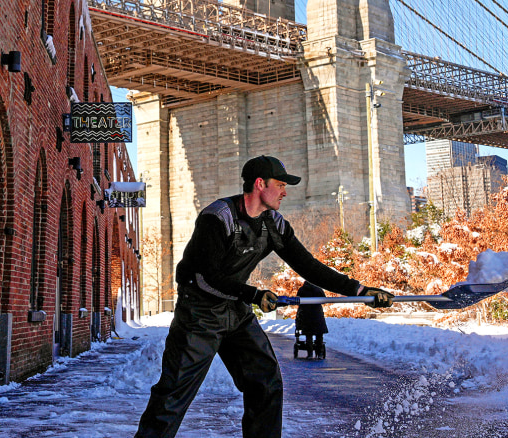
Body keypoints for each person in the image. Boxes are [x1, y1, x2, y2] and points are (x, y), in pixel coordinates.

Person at [134, 155, 393, 438]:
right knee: (173, 393)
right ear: (260, 184)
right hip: (199, 313)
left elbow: (307, 265)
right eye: (280, 185)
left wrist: (359, 290)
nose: (285, 191)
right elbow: (205, 277)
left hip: (235, 310)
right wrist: (255, 295)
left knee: (266, 382)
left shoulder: (273, 224)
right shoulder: (218, 217)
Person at [295, 280, 328, 359]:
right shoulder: (318, 289)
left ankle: (310, 353)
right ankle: (319, 353)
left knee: (308, 335)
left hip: (306, 315)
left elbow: (298, 301)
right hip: (317, 314)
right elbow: (324, 300)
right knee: (319, 335)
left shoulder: (302, 290)